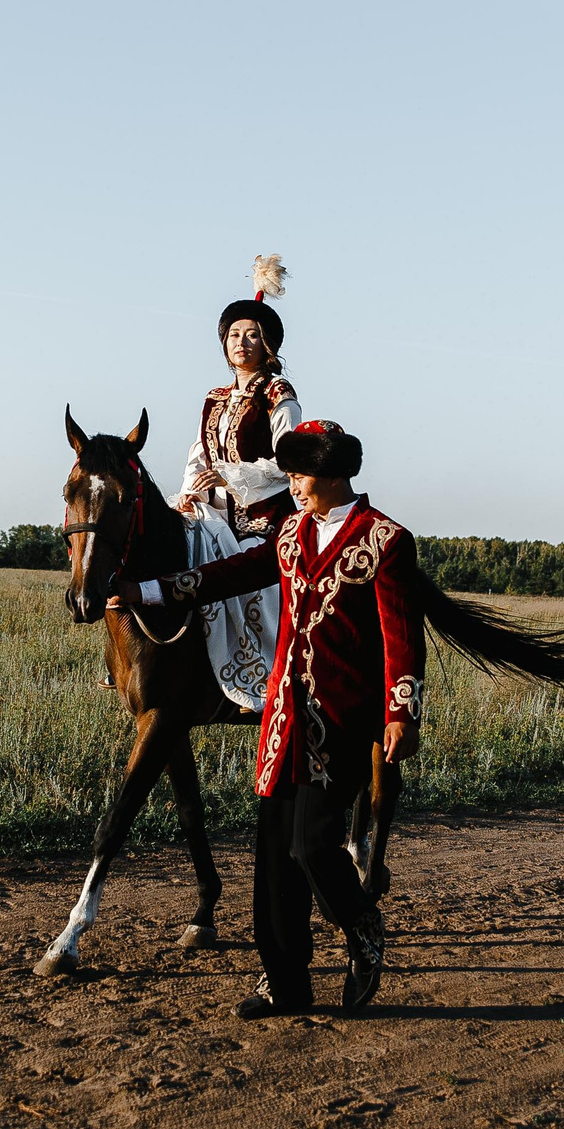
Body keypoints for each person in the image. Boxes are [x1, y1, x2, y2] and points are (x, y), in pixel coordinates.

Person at [128, 419, 415, 1018]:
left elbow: (400, 635)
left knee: (311, 844)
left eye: (299, 475)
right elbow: (229, 575)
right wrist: (149, 592)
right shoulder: (289, 534)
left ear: (330, 474)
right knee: (275, 857)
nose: (292, 486)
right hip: (284, 715)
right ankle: (285, 983)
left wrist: (400, 712)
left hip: (341, 718)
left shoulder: (386, 540)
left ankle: (361, 922)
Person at [164, 255, 302, 709]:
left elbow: (288, 460)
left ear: (269, 345)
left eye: (253, 335)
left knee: (247, 572)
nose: (242, 342)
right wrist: (189, 492)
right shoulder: (214, 397)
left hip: (262, 514)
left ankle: (261, 676)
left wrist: (228, 473)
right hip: (212, 510)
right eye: (234, 335)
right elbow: (199, 453)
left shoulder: (279, 395)